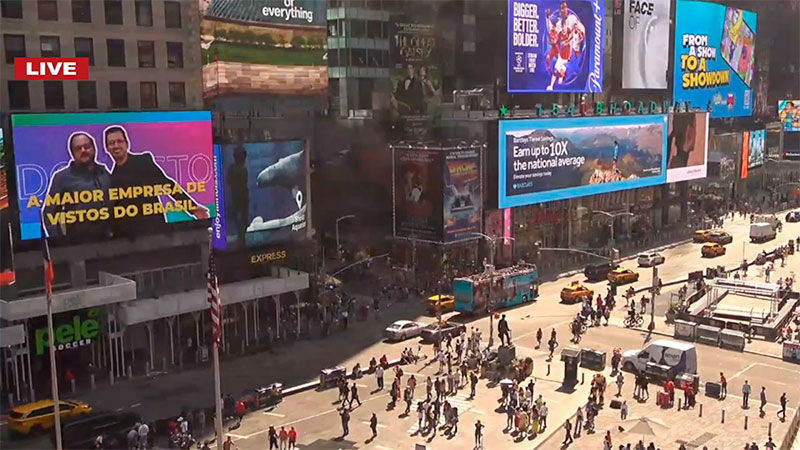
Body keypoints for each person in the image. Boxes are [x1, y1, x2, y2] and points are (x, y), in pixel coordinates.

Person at [103, 126, 209, 237]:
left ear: (127, 144)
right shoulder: (112, 178)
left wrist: (192, 208)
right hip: (133, 237)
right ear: (107, 148)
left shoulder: (143, 161)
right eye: (111, 143)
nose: (116, 146)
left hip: (156, 229)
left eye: (119, 141)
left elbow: (166, 184)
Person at [43, 131, 112, 239]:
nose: (83, 151)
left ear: (94, 148)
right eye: (78, 148)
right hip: (79, 244)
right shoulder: (62, 177)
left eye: (87, 146)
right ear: (72, 153)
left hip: (110, 240)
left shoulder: (104, 172)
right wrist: (59, 242)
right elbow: (49, 213)